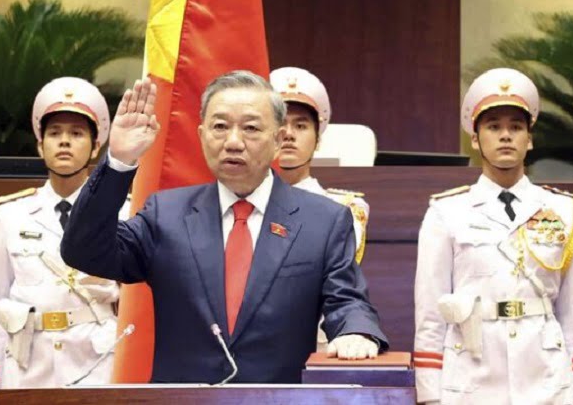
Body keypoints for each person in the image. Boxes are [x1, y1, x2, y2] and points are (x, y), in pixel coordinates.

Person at [61, 70, 388, 384]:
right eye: (220, 126)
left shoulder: (324, 220)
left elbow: (347, 300)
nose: (233, 141)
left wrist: (356, 332)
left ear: (278, 140)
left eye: (251, 128)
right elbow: (85, 251)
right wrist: (119, 161)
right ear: (202, 135)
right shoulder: (166, 214)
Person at [413, 68, 573, 404]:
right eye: (494, 127)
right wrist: (430, 393)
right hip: (472, 374)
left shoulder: (565, 211)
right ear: (475, 139)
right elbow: (431, 312)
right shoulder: (446, 212)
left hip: (545, 377)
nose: (506, 136)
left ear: (530, 139)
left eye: (516, 127)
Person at [0, 77, 129, 404]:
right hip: (29, 365)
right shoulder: (10, 215)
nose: (64, 142)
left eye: (76, 134)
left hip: (99, 364)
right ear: (40, 145)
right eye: (54, 133)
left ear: (96, 147)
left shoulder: (123, 211)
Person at [269, 66, 370, 353]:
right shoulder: (241, 202)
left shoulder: (344, 209)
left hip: (315, 348)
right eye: (280, 124)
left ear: (318, 138)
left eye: (301, 126)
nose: (289, 135)